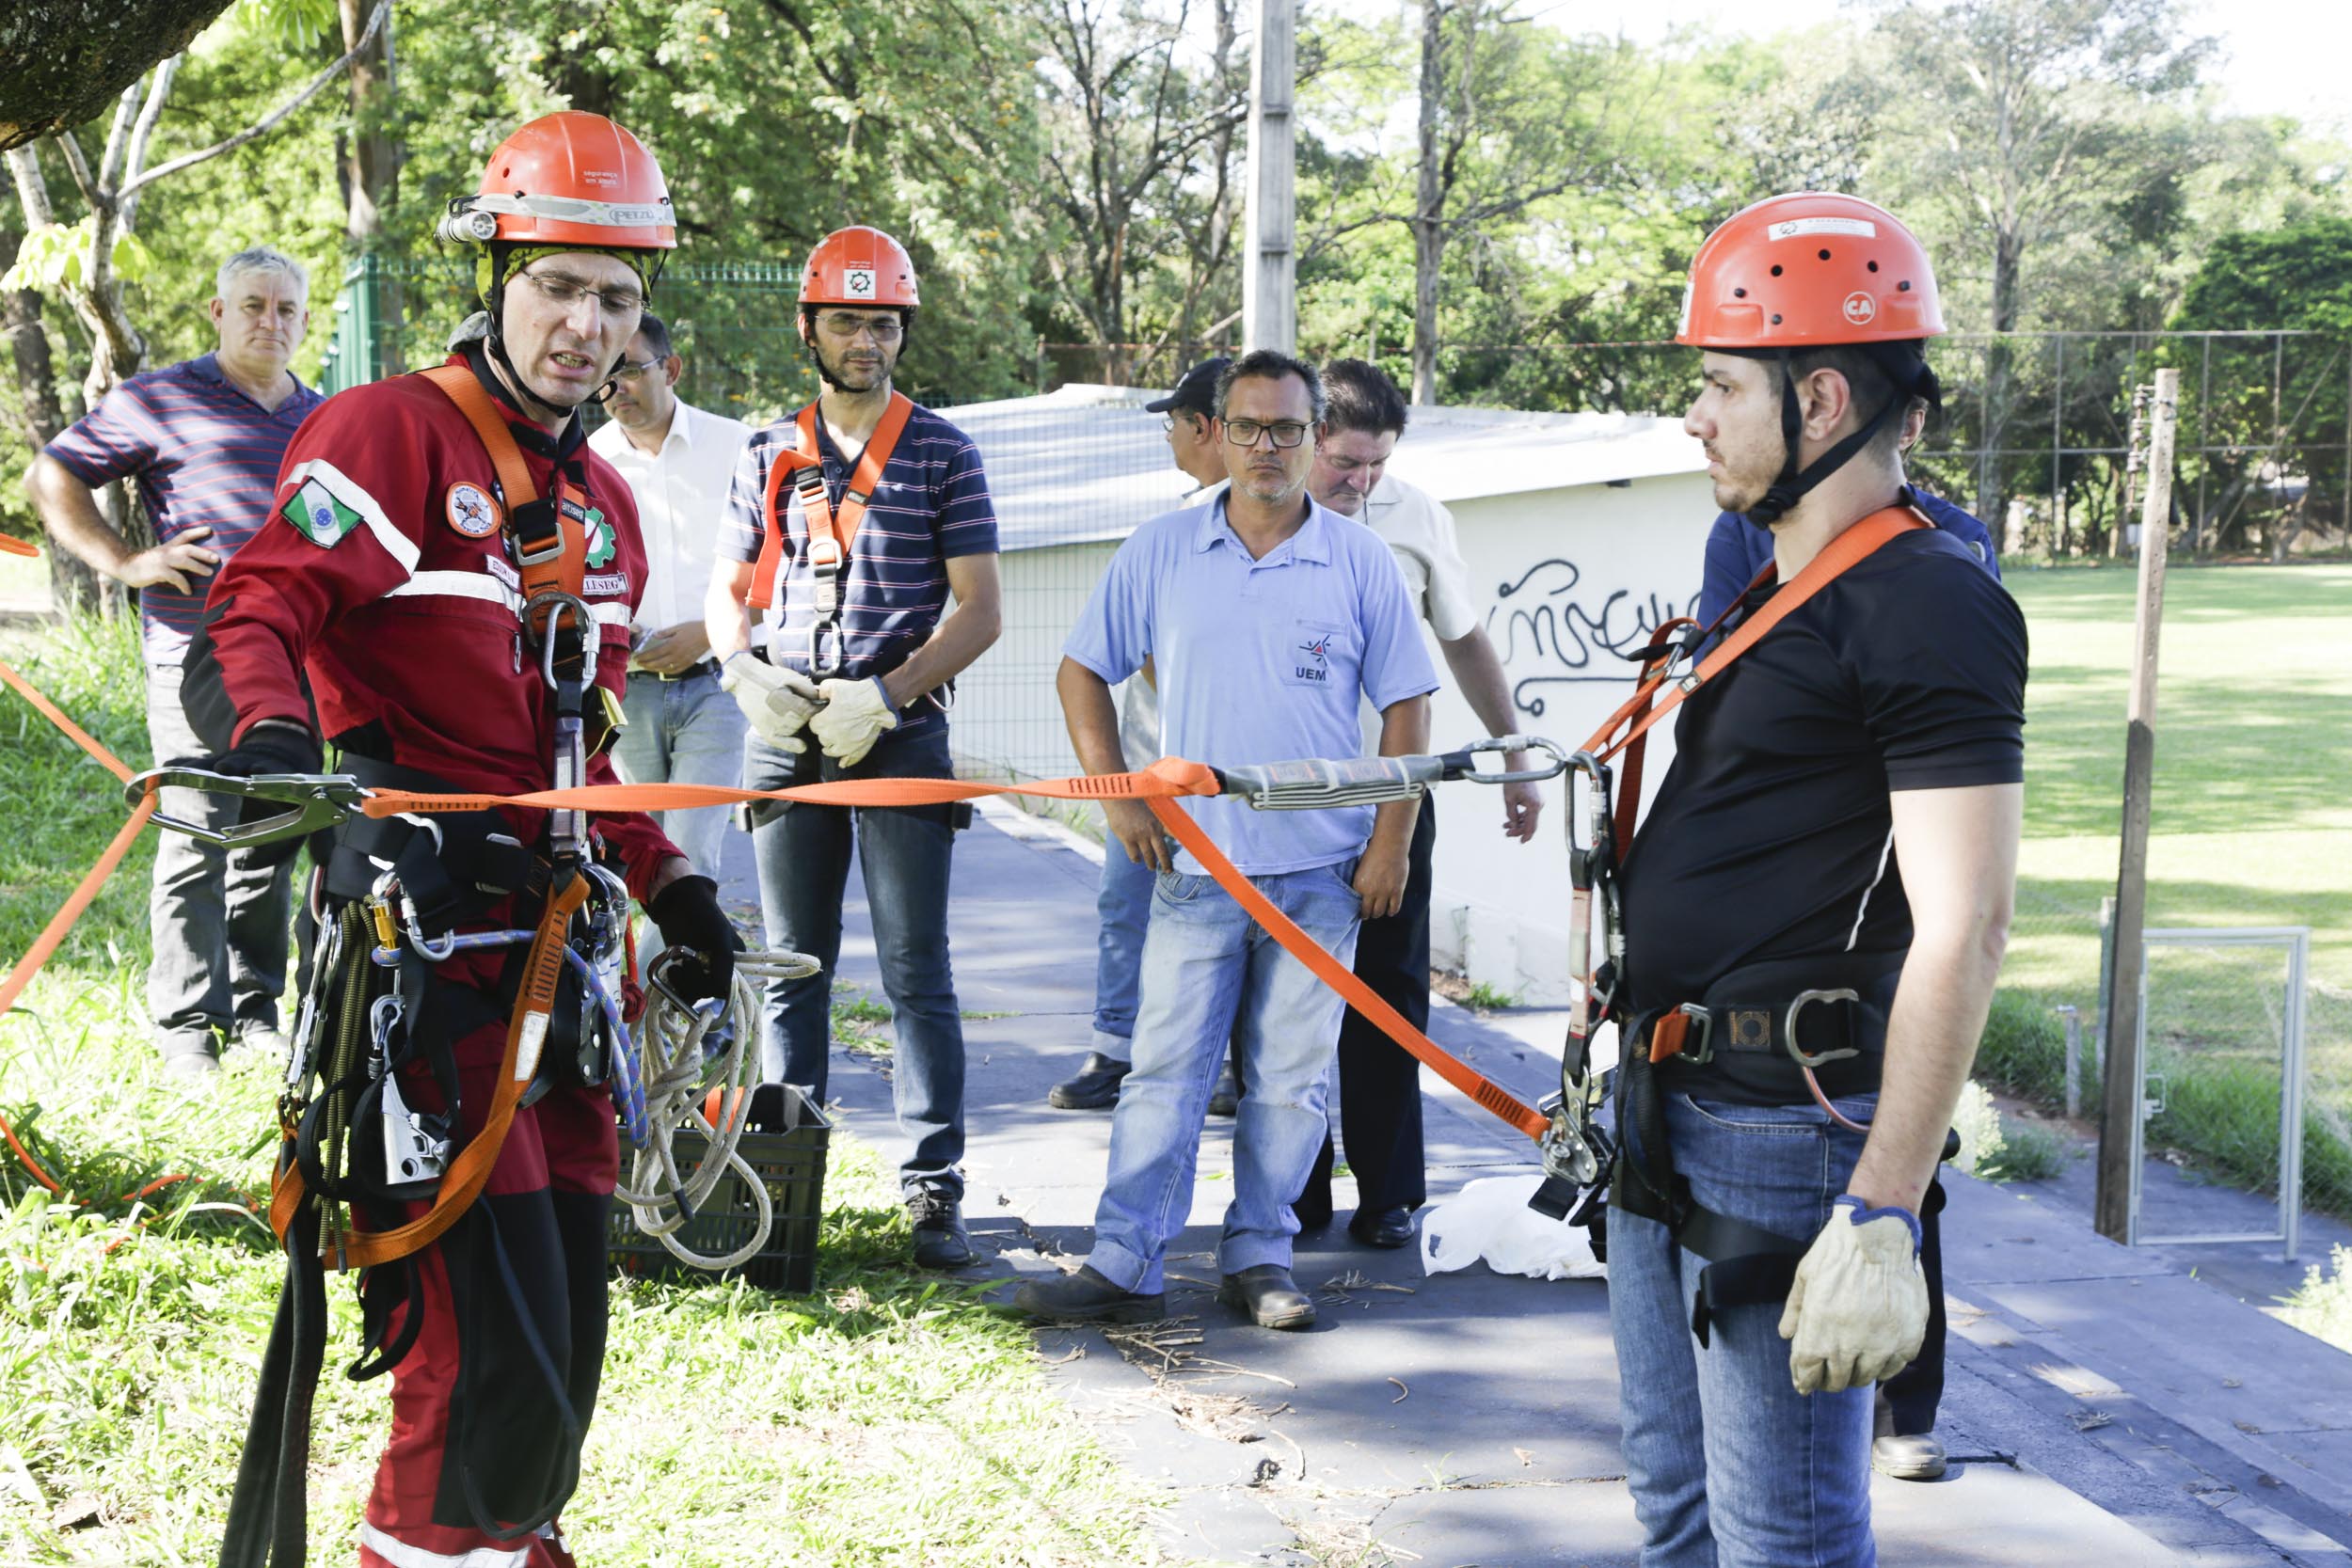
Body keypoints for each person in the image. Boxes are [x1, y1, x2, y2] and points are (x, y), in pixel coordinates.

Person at [184, 113, 739, 1567]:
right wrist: (287, 765)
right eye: (558, 283)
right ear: (497, 270)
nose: (583, 324)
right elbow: (261, 607)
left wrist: (672, 884)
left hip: (565, 979)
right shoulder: (392, 434)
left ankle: (511, 1541)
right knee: (463, 1334)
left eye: (615, 298)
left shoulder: (604, 508)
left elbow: (586, 747)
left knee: (562, 1322)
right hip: (422, 959)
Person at [1607, 191, 2025, 1565]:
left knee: (1780, 1539)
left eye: (1723, 384)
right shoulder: (1776, 576)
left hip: (1783, 1132)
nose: (1698, 415)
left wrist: (1885, 1207)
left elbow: (1966, 926)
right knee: (1678, 1510)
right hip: (1669, 1096)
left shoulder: (1930, 600)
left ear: (1825, 397)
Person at [1014, 351, 1439, 1331]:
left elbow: (1408, 706)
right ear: (1216, 429)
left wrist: (1392, 843)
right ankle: (1127, 1260)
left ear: (1314, 436)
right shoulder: (1160, 549)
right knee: (1163, 1072)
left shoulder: (1358, 559)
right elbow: (1083, 672)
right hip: (1197, 872)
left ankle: (1261, 1254)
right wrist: (1120, 795)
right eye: (1247, 427)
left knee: (1290, 1081)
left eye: (1288, 430)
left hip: (1320, 875)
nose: (1267, 447)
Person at [705, 225, 1003, 1270]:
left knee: (918, 964)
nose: (865, 340)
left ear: (901, 328)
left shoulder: (942, 451)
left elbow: (979, 610)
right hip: (785, 730)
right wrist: (740, 668)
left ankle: (934, 1189)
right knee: (793, 964)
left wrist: (887, 692)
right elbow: (727, 585)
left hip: (897, 728)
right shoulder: (765, 449)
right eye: (846, 320)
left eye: (882, 322)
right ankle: (788, 1180)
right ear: (810, 327)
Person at [1696, 483, 2002, 1487]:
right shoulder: (1741, 535)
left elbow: (1943, 753)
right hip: (1750, 966)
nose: (1702, 418)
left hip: (1870, 920)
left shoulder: (1943, 555)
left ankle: (1905, 1402)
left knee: (1899, 1174)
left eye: (1728, 388)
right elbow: (1718, 688)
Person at [26, 245, 323, 1073]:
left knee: (275, 835)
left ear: (304, 319)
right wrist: (126, 562)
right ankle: (189, 1023)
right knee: (196, 830)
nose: (271, 321)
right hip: (191, 653)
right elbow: (53, 476)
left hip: (300, 665)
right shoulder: (159, 398)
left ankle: (258, 1007)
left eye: (287, 308)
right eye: (253, 305)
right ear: (218, 314)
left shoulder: (326, 418)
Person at [1291, 358, 1545, 1248]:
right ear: (1308, 436)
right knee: (1285, 994)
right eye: (1345, 464)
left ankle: (1389, 1190)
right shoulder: (1254, 513)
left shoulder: (1417, 515)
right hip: (1284, 797)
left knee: (1388, 991)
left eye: (1376, 467)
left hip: (1392, 790)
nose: (1360, 483)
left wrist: (1514, 753)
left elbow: (1464, 638)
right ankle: (1295, 1186)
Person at [1047, 355, 1231, 1113]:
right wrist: (1123, 787)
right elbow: (1094, 663)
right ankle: (1118, 1052)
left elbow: (1168, 659)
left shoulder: (1261, 525)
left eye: (1173, 422)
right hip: (1149, 774)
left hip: (1217, 785)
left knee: (1215, 925)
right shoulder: (1170, 531)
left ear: (1204, 426)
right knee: (1128, 908)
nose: (1169, 437)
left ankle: (1220, 1067)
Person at [589, 312, 755, 899]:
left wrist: (712, 632)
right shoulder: (588, 462)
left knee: (689, 853)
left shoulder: (737, 445)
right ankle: (647, 986)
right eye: (604, 373)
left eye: (629, 369)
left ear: (672, 368)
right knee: (639, 859)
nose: (614, 389)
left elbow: (780, 561)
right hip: (626, 692)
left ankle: (677, 990)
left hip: (716, 684)